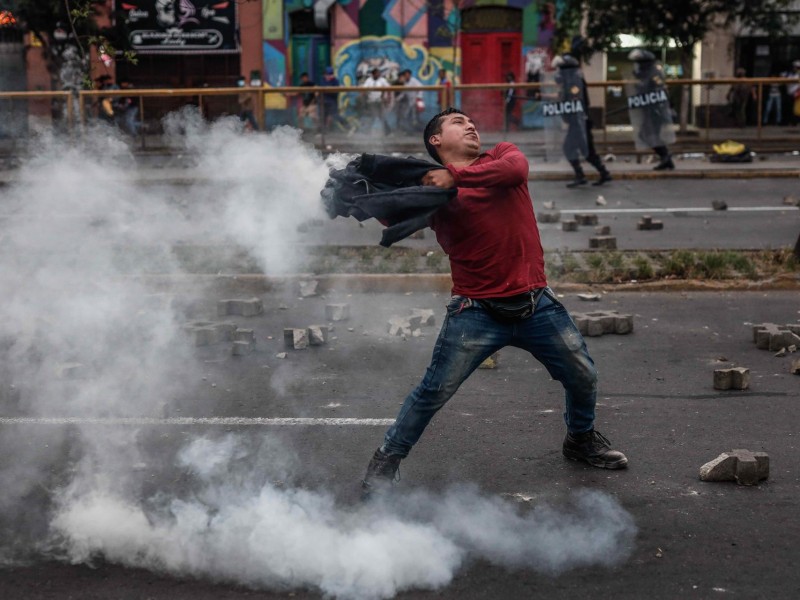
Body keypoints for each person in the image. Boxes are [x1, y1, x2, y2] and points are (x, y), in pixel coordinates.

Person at [360, 107, 628, 499]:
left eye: (471, 120)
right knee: (433, 391)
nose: (471, 124)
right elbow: (391, 213)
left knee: (582, 374)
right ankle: (385, 461)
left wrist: (455, 175)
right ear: (436, 140)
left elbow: (516, 171)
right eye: (458, 122)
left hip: (536, 303)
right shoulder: (432, 190)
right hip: (475, 311)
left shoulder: (502, 155)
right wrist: (362, 191)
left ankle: (581, 439)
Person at [552, 54, 612, 187]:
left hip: (579, 122)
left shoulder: (574, 81)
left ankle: (582, 176)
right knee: (588, 150)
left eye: (560, 69)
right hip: (579, 121)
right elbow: (563, 98)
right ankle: (603, 173)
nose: (558, 73)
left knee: (569, 148)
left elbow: (574, 101)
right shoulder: (572, 79)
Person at [627, 49, 675, 170]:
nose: (636, 65)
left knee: (648, 134)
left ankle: (666, 157)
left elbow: (659, 91)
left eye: (639, 63)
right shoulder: (646, 74)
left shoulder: (654, 73)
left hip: (656, 111)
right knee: (647, 135)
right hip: (649, 110)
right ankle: (666, 158)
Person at [320, 66, 352, 133]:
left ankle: (349, 127)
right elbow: (322, 88)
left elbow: (335, 92)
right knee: (323, 116)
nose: (328, 75)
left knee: (335, 115)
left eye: (330, 74)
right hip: (324, 101)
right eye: (327, 74)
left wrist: (329, 89)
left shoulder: (335, 81)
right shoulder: (323, 80)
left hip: (332, 101)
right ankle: (323, 132)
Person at [361, 67, 391, 135]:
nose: (378, 74)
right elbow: (364, 89)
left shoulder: (382, 80)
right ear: (373, 74)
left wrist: (386, 98)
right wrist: (363, 96)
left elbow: (389, 88)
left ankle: (387, 131)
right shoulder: (369, 80)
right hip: (371, 101)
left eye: (379, 73)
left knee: (381, 117)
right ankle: (367, 131)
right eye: (376, 73)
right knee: (372, 117)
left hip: (379, 101)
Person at [787, 60, 800, 126]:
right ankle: (791, 122)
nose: (795, 68)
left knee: (796, 109)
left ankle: (795, 122)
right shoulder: (790, 74)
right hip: (790, 93)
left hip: (797, 93)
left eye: (796, 67)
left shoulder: (798, 74)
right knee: (791, 108)